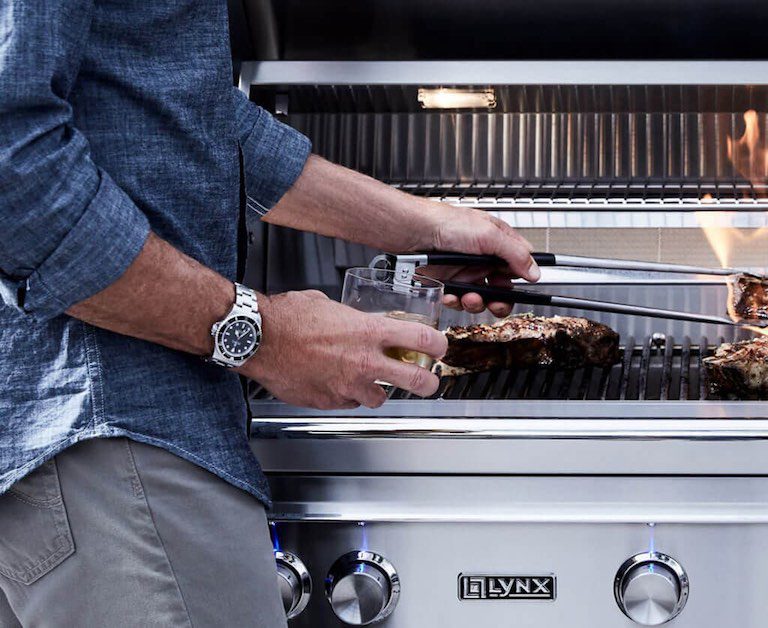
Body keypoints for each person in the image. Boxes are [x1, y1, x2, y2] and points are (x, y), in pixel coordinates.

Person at [0, 2, 537, 625]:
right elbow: (15, 169)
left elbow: (183, 110)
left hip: (77, 441)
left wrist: (426, 225)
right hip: (113, 439)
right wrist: (263, 335)